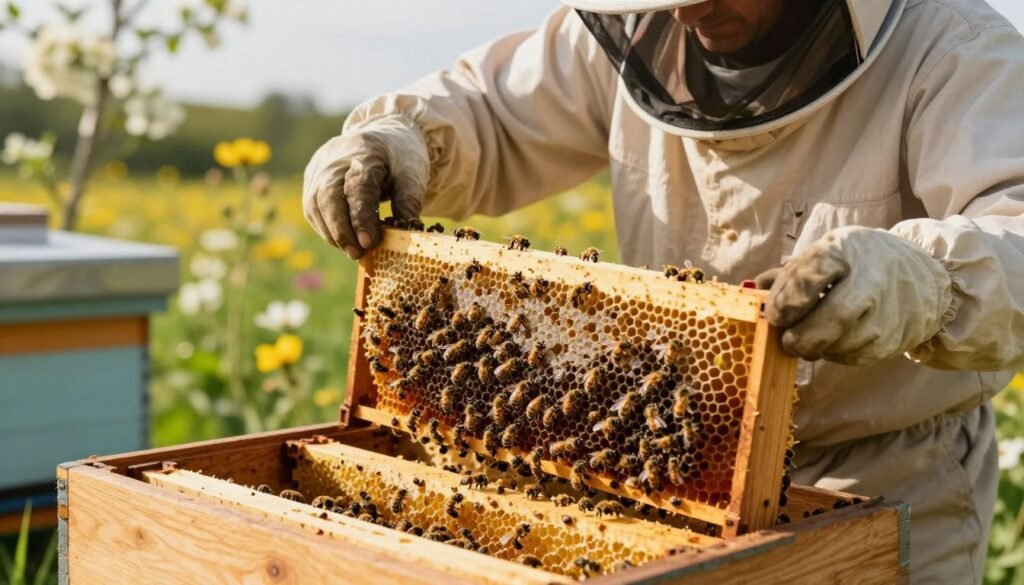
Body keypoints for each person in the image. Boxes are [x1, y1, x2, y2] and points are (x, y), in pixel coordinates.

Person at [303, 0, 1024, 581]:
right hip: (668, 467)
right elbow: (492, 110)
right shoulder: (639, 25)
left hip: (881, 475)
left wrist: (918, 278)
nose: (686, 14)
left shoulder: (957, 50)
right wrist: (399, 136)